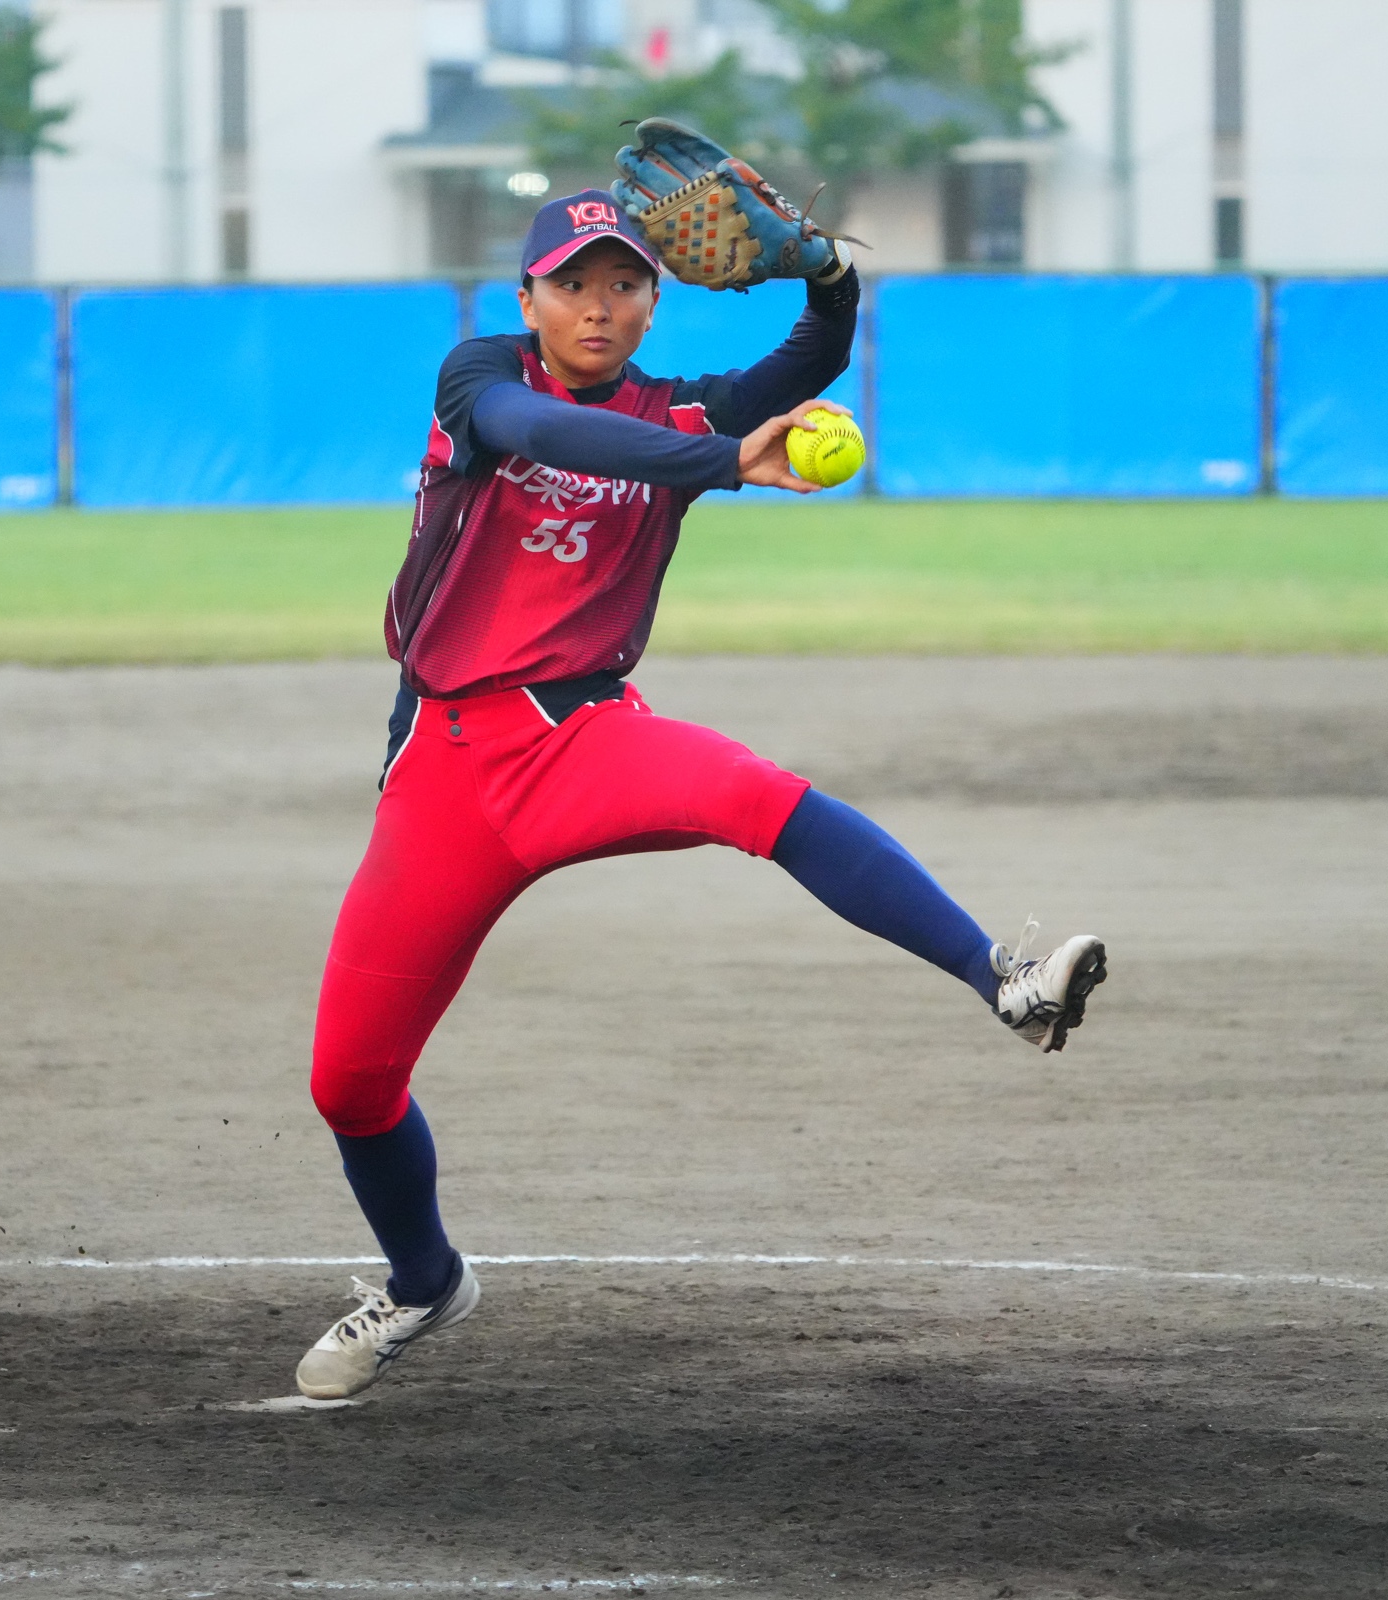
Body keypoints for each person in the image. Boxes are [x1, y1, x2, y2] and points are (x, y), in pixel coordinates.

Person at [293, 192, 1107, 1399]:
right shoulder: (482, 378)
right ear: (528, 299)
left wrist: (828, 275)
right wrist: (728, 460)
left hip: (582, 737)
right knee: (349, 1083)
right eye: (573, 283)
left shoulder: (676, 409)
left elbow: (810, 357)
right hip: (445, 771)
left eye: (624, 284)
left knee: (760, 799)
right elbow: (549, 434)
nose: (598, 305)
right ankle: (423, 1282)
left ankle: (1004, 981)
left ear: (652, 301)